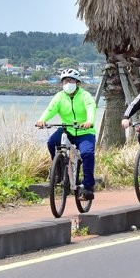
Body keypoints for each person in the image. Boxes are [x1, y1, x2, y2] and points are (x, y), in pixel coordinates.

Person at [36, 69, 98, 200]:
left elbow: (91, 108)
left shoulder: (85, 95)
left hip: (85, 131)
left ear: (77, 82)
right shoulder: (59, 96)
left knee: (87, 154)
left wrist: (89, 121)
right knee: (52, 142)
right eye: (65, 81)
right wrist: (42, 120)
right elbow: (51, 109)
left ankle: (88, 188)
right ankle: (58, 170)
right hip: (67, 130)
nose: (67, 83)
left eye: (70, 80)